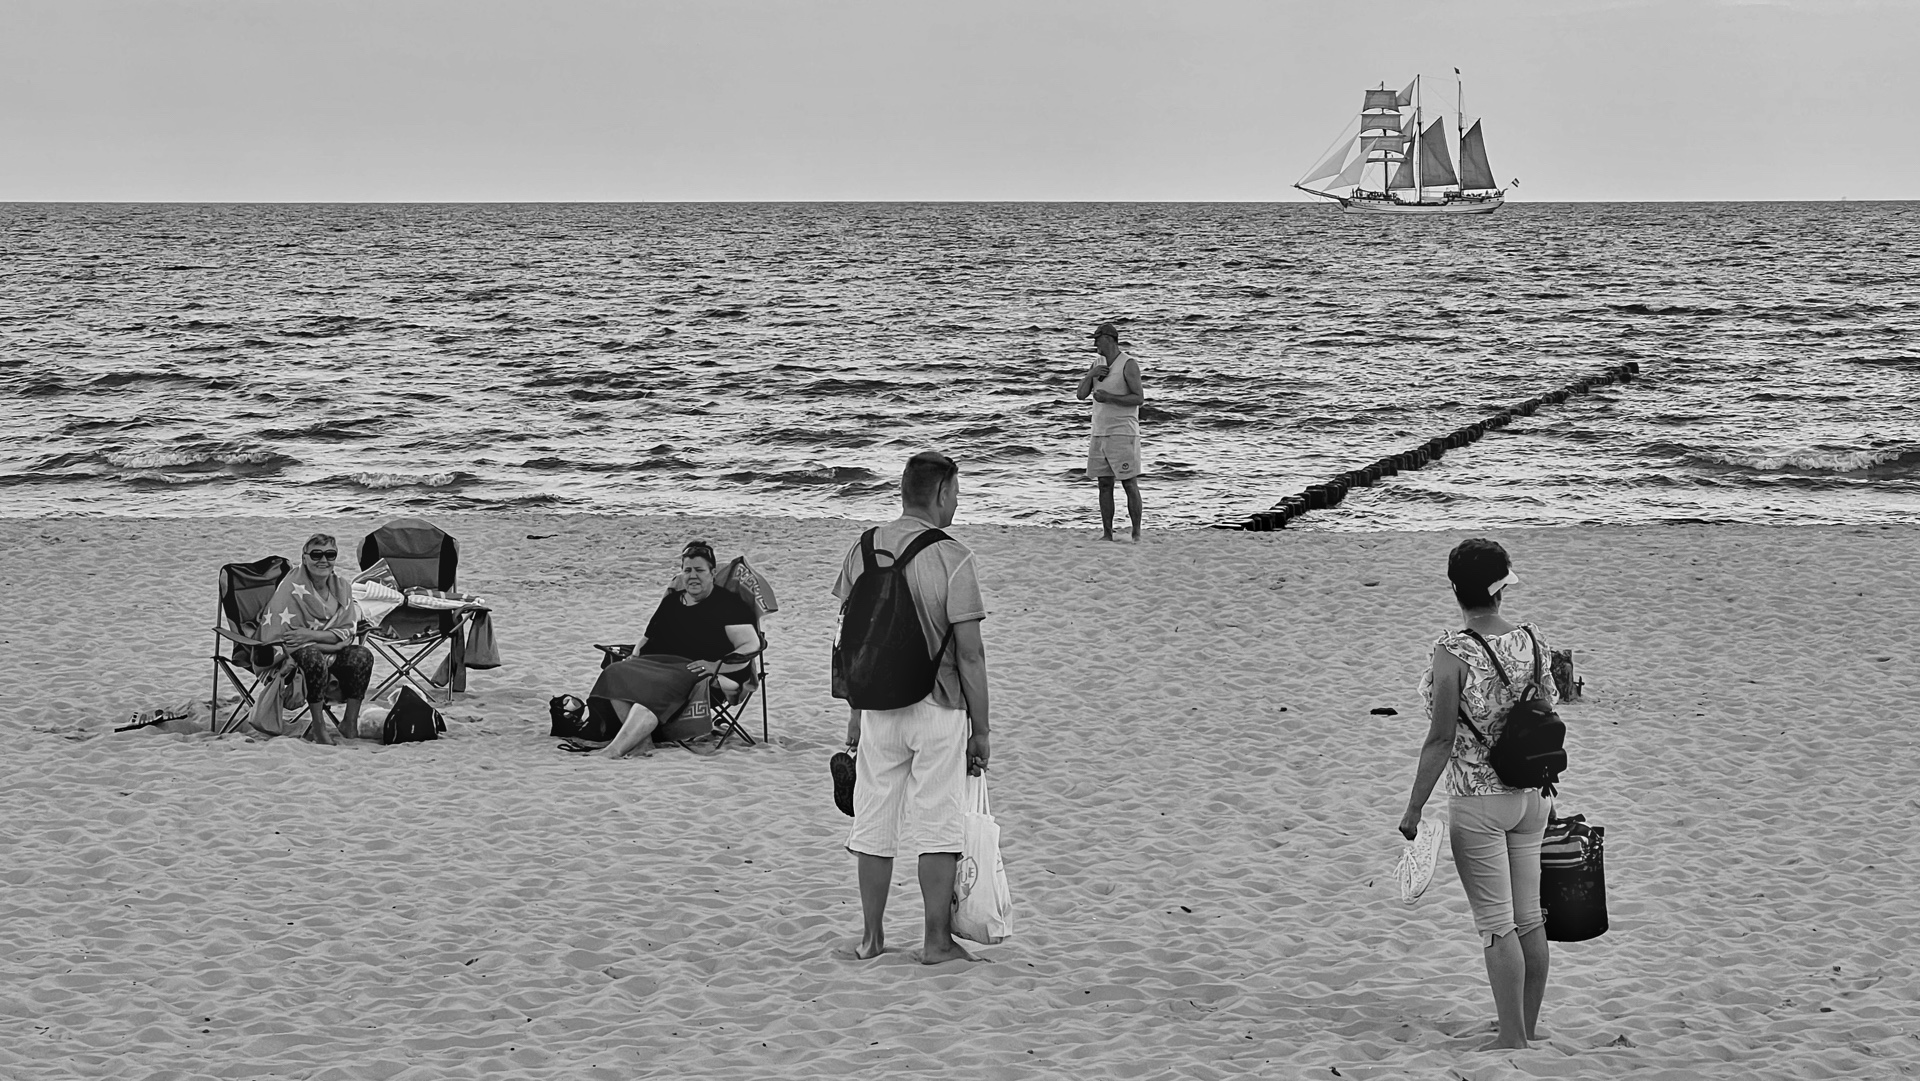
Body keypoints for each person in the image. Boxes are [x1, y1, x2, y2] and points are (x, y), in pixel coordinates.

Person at [1398, 538, 1562, 1051]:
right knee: (1530, 917)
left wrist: (1414, 806)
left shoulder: (1453, 651)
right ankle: (1526, 1027)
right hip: (1534, 796)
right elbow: (1548, 707)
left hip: (1479, 800)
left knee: (1496, 926)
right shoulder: (1533, 639)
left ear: (1455, 589)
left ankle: (1511, 1038)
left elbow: (1442, 738)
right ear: (1502, 588)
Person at [836, 451, 991, 964]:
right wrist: (982, 729)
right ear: (943, 492)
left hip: (878, 705)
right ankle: (935, 942)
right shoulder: (954, 556)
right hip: (937, 705)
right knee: (937, 823)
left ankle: (871, 937)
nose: (957, 503)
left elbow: (850, 637)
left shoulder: (862, 547)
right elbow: (970, 652)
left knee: (874, 820)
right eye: (957, 493)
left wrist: (855, 710)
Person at [583, 539, 759, 758]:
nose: (692, 576)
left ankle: (613, 750)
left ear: (712, 572)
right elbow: (647, 637)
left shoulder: (728, 605)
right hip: (655, 663)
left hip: (691, 668)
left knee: (650, 695)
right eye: (687, 570)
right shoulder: (673, 601)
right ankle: (643, 743)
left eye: (699, 570)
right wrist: (634, 656)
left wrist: (715, 666)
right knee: (614, 673)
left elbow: (751, 644)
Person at [259, 533, 374, 744]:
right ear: (304, 558)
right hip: (293, 658)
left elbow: (347, 630)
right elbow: (287, 638)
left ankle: (349, 722)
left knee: (362, 655)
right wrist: (332, 642)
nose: (323, 560)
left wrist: (311, 635)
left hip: (323, 650)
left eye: (330, 554)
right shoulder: (290, 588)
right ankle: (319, 726)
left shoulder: (342, 587)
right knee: (312, 657)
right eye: (316, 554)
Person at [1073, 321, 1145, 541]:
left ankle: (1136, 533)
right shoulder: (1097, 363)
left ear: (1109, 339)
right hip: (1099, 431)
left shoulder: (1128, 364)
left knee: (1128, 482)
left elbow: (1138, 398)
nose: (1095, 343)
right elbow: (1081, 395)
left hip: (1122, 431)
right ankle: (1107, 533)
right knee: (1104, 483)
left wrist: (1109, 397)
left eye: (1097, 339)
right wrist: (1090, 375)